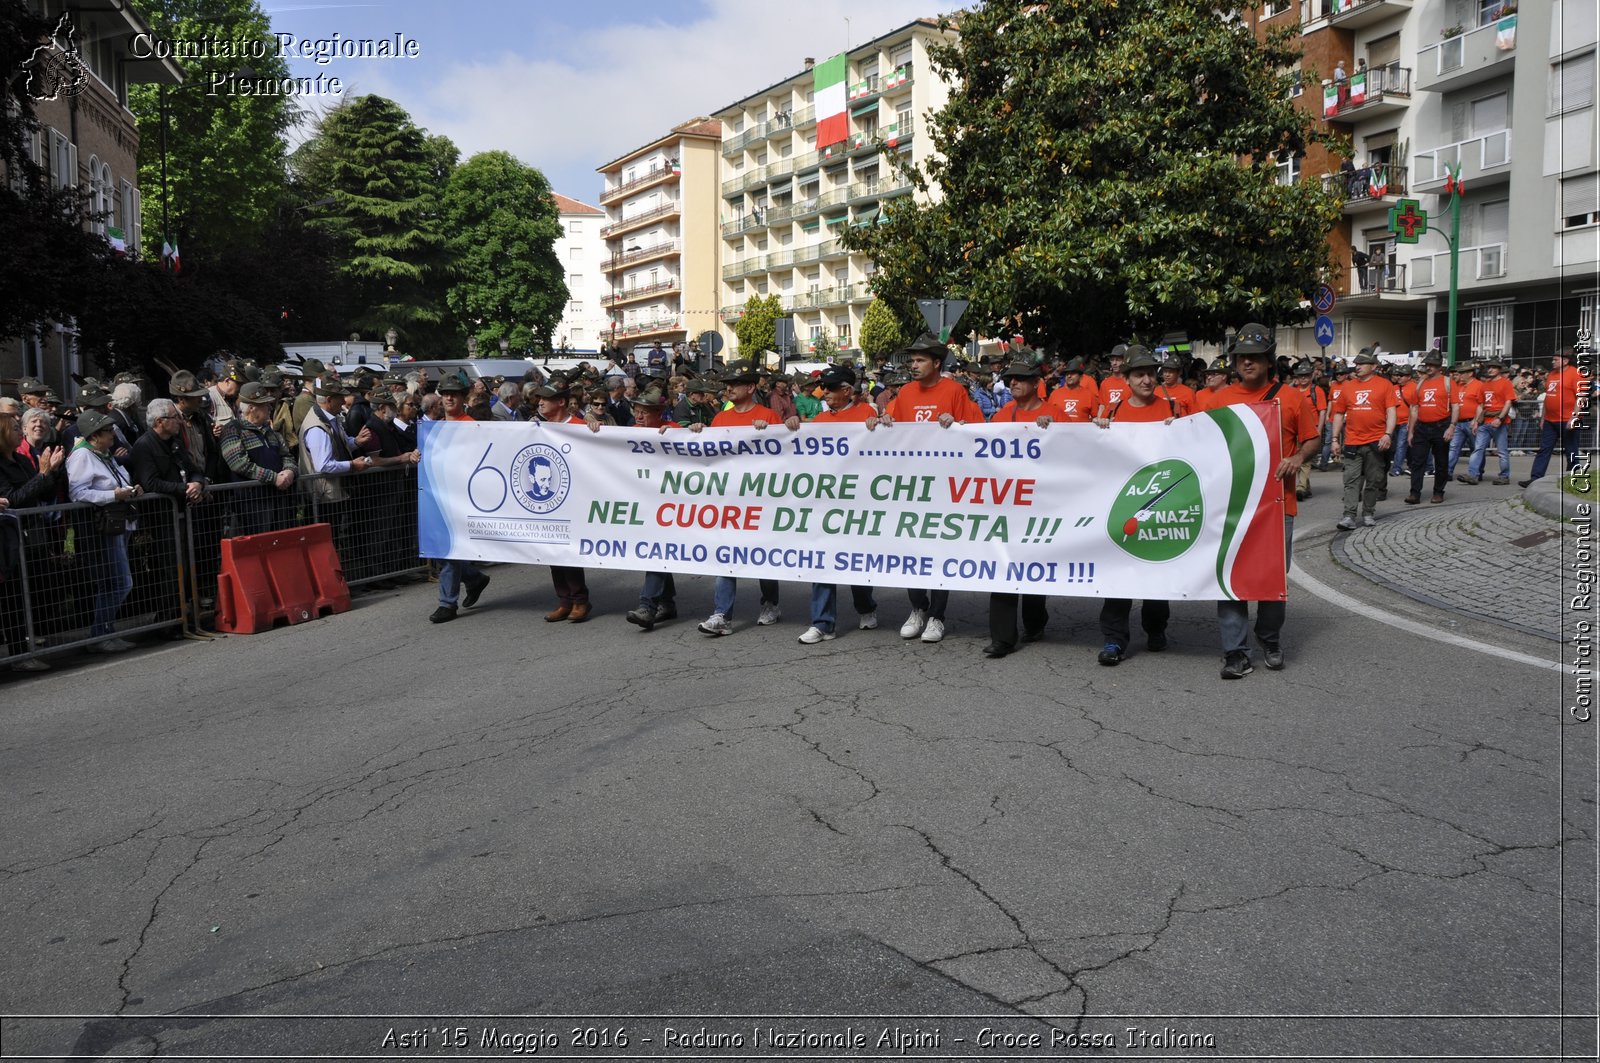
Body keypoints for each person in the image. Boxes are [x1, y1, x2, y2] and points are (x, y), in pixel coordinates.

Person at [1209, 324, 1320, 679]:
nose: (1248, 363)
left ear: (1268, 360)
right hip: (1232, 505)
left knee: (1274, 579)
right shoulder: (1218, 399)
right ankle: (1236, 652)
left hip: (1277, 505)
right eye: (1242, 357)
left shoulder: (1291, 398)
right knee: (1230, 576)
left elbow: (1312, 439)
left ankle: (1269, 637)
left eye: (1255, 357)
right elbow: (1195, 440)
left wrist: (1297, 459)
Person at [880, 333, 983, 644]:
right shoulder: (906, 393)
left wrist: (958, 424)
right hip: (912, 484)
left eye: (920, 360)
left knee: (939, 552)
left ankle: (937, 616)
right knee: (912, 549)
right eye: (912, 360)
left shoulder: (954, 391)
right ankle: (917, 608)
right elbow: (891, 427)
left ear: (937, 363)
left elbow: (976, 431)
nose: (913, 365)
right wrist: (879, 421)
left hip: (944, 484)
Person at [1091, 347, 1179, 665]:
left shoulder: (1172, 408)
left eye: (1150, 372)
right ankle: (1114, 639)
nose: (1146, 378)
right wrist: (1099, 434)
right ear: (1126, 378)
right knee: (1118, 574)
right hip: (1123, 504)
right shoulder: (1114, 414)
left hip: (1161, 503)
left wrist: (1180, 431)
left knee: (1157, 571)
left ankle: (1156, 628)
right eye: (1139, 373)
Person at [691, 363, 783, 636]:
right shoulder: (720, 419)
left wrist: (768, 432)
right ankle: (722, 614)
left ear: (751, 387)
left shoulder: (768, 415)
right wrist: (697, 431)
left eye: (734, 383)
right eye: (726, 383)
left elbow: (785, 457)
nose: (727, 388)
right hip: (730, 502)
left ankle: (770, 603)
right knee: (726, 554)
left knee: (762, 555)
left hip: (760, 499)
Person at [796, 365, 880, 645]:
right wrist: (791, 429)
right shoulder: (818, 420)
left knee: (854, 561)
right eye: (824, 388)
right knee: (822, 561)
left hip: (857, 500)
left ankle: (866, 607)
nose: (825, 393)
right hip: (825, 501)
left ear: (847, 390)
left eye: (831, 389)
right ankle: (823, 624)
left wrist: (877, 427)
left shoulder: (866, 415)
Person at [985, 361, 1054, 658]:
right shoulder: (1002, 415)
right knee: (1003, 565)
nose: (1013, 383)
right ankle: (1002, 638)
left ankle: (1035, 623)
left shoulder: (1056, 415)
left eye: (1021, 379)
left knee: (1033, 568)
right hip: (1009, 502)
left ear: (1036, 382)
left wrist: (1054, 431)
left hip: (1043, 502)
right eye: (1011, 379)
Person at [67, 410, 142, 652]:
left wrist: (130, 490)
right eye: (108, 431)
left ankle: (106, 631)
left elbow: (116, 480)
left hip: (119, 522)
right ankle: (100, 633)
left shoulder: (102, 454)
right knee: (121, 582)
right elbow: (78, 492)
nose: (113, 435)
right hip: (105, 526)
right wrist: (113, 495)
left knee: (114, 582)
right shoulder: (82, 457)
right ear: (95, 435)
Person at [1, 407, 65, 670]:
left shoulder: (22, 460)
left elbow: (42, 490)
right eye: (16, 428)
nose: (20, 432)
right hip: (12, 539)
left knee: (29, 593)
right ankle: (18, 655)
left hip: (33, 536)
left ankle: (26, 649)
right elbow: (13, 499)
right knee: (14, 599)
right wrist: (40, 475)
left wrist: (51, 471)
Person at [427, 374, 490, 623]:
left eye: (454, 394)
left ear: (464, 398)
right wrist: (415, 455)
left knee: (449, 548)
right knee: (446, 550)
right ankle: (474, 578)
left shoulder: (470, 426)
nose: (449, 398)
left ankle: (447, 603)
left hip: (461, 497)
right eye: (445, 394)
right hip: (439, 495)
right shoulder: (434, 427)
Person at [530, 384, 596, 622]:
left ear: (561, 402)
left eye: (546, 399)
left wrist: (595, 429)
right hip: (550, 499)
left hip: (574, 498)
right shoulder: (537, 428)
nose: (540, 403)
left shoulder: (580, 427)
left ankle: (580, 600)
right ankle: (564, 600)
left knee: (568, 551)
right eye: (539, 399)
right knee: (552, 552)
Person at [624, 387, 682, 631]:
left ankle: (647, 606)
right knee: (659, 551)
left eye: (644, 412)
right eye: (636, 410)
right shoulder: (629, 433)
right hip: (644, 503)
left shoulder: (674, 430)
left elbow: (699, 443)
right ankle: (666, 603)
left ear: (659, 413)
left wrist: (686, 433)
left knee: (657, 550)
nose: (638, 416)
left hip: (672, 505)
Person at [1330, 349, 1397, 529]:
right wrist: (1335, 439)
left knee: (1373, 480)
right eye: (1356, 364)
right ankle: (1349, 516)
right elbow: (1338, 414)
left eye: (1362, 364)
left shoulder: (1385, 385)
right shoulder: (1348, 386)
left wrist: (1388, 434)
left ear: (1373, 366)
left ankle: (1368, 512)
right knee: (1351, 480)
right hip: (1352, 441)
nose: (1357, 367)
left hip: (1376, 441)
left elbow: (1391, 411)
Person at [219, 383, 298, 535]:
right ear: (251, 408)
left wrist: (289, 472)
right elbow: (238, 463)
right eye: (265, 404)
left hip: (278, 502)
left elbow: (287, 456)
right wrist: (274, 478)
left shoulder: (271, 432)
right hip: (250, 506)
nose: (270, 407)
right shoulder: (233, 429)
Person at [1522, 345, 1589, 487]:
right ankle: (1535, 478)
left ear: (1565, 361)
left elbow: (1581, 397)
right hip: (1550, 420)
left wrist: (1574, 417)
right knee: (1544, 449)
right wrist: (1543, 417)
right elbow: (1548, 397)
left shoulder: (1576, 374)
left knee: (1571, 450)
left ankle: (1572, 478)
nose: (1552, 362)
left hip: (1567, 420)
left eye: (1555, 359)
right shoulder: (1552, 374)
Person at [1401, 351, 1458, 505]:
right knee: (1417, 461)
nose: (1429, 367)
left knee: (1441, 461)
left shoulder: (1448, 382)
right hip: (1422, 427)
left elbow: (1455, 406)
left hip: (1441, 425)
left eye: (1432, 364)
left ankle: (1438, 492)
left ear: (1440, 367)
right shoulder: (1420, 383)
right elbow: (1414, 408)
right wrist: (1411, 431)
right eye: (1427, 364)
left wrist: (1452, 426)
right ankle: (1414, 493)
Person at [1462, 358, 1517, 485]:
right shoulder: (1484, 385)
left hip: (1499, 421)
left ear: (1499, 370)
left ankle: (1504, 476)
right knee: (1478, 449)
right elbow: (1481, 405)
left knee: (1502, 451)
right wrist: (1476, 421)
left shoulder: (1505, 383)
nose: (1490, 369)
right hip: (1485, 421)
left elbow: (1508, 402)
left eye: (1494, 367)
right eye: (1489, 367)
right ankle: (1473, 475)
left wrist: (1500, 418)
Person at [1045, 356, 1099, 423]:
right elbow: (1047, 415)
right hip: (1060, 432)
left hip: (1081, 432)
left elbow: (1096, 417)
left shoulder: (1089, 395)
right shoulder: (1055, 394)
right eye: (1067, 373)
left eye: (1073, 373)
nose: (1069, 376)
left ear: (1081, 377)